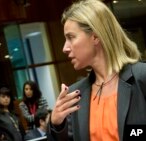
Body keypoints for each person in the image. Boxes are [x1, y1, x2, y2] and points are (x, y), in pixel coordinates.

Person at [48, 0, 146, 141]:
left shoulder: (141, 77)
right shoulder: (74, 96)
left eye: (71, 37)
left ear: (95, 36)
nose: (65, 48)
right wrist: (57, 125)